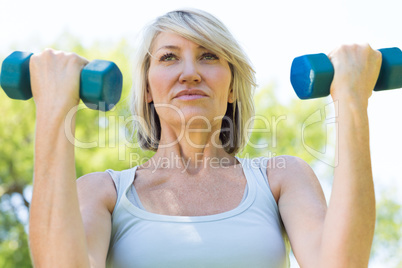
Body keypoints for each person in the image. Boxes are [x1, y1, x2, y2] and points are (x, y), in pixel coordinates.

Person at [28, 8, 381, 268]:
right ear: (148, 88)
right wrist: (53, 107)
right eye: (169, 57)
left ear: (231, 87)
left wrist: (351, 98)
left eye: (208, 56)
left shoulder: (281, 178)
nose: (190, 73)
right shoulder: (102, 193)